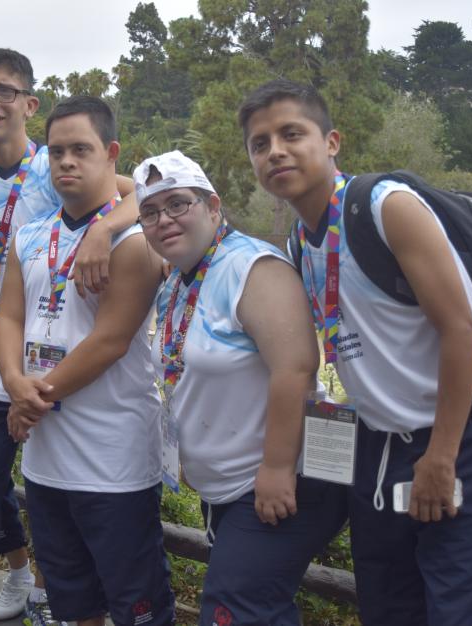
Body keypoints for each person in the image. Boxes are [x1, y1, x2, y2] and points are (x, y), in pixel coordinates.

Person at [239, 78, 472, 625]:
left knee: (465, 610)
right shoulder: (301, 243)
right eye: (259, 143)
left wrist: (441, 455)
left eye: (292, 133)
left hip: (458, 436)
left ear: (332, 141)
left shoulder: (386, 207)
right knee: (389, 606)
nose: (275, 150)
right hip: (376, 444)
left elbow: (460, 332)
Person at [0, 48, 141, 626]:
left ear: (29, 103)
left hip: (56, 359)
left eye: (4, 91)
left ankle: (48, 592)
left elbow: (146, 191)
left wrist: (104, 228)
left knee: (56, 496)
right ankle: (0, 590)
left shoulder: (57, 167)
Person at [134, 150, 348, 625]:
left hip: (284, 479)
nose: (163, 219)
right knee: (254, 607)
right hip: (228, 487)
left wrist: (276, 469)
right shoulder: (178, 282)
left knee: (235, 608)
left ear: (213, 206)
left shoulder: (252, 267)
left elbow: (296, 368)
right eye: (149, 212)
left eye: (177, 204)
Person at [0, 96, 175, 626]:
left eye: (80, 149)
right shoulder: (29, 236)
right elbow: (7, 318)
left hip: (112, 461)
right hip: (46, 461)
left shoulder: (137, 242)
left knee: (135, 602)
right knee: (73, 599)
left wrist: (34, 398)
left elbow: (111, 340)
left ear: (111, 153)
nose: (66, 162)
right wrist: (12, 383)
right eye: (56, 152)